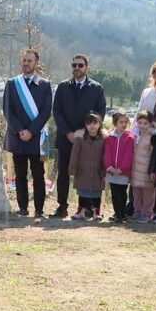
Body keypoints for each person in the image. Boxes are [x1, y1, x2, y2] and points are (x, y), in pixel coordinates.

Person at [50, 54, 106, 219]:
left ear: (87, 68)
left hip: (88, 140)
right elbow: (57, 111)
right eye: (74, 65)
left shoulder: (96, 88)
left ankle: (88, 208)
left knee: (88, 172)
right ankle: (62, 207)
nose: (77, 68)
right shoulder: (62, 87)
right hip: (66, 138)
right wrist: (68, 132)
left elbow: (100, 112)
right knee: (63, 173)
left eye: (80, 65)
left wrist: (85, 132)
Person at [2, 49, 52, 218]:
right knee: (20, 174)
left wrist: (31, 131)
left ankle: (39, 209)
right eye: (24, 60)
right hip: (17, 137)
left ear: (36, 63)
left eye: (29, 61)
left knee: (38, 175)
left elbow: (46, 112)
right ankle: (23, 207)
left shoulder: (45, 85)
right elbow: (7, 110)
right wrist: (20, 130)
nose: (26, 63)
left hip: (36, 138)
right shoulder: (12, 83)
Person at [69, 112, 106, 221]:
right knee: (82, 191)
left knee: (97, 192)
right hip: (83, 170)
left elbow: (106, 155)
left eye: (95, 123)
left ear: (99, 124)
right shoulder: (80, 138)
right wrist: (73, 168)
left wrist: (104, 169)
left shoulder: (104, 139)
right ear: (85, 125)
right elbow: (74, 154)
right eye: (89, 123)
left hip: (98, 170)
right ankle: (80, 211)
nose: (92, 126)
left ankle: (96, 212)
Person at [103, 109, 134, 222]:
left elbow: (129, 156)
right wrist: (110, 167)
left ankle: (122, 214)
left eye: (125, 122)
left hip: (123, 172)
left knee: (122, 193)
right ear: (115, 123)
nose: (124, 124)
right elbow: (107, 154)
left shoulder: (130, 138)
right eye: (121, 122)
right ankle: (117, 213)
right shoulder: (109, 138)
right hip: (111, 172)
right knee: (114, 193)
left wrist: (121, 169)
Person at [130, 110, 156, 222]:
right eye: (140, 123)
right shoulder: (134, 135)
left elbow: (154, 155)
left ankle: (147, 214)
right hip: (135, 170)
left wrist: (153, 170)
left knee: (148, 194)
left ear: (150, 123)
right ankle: (137, 212)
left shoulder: (152, 137)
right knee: (136, 193)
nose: (142, 125)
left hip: (147, 170)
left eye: (145, 123)